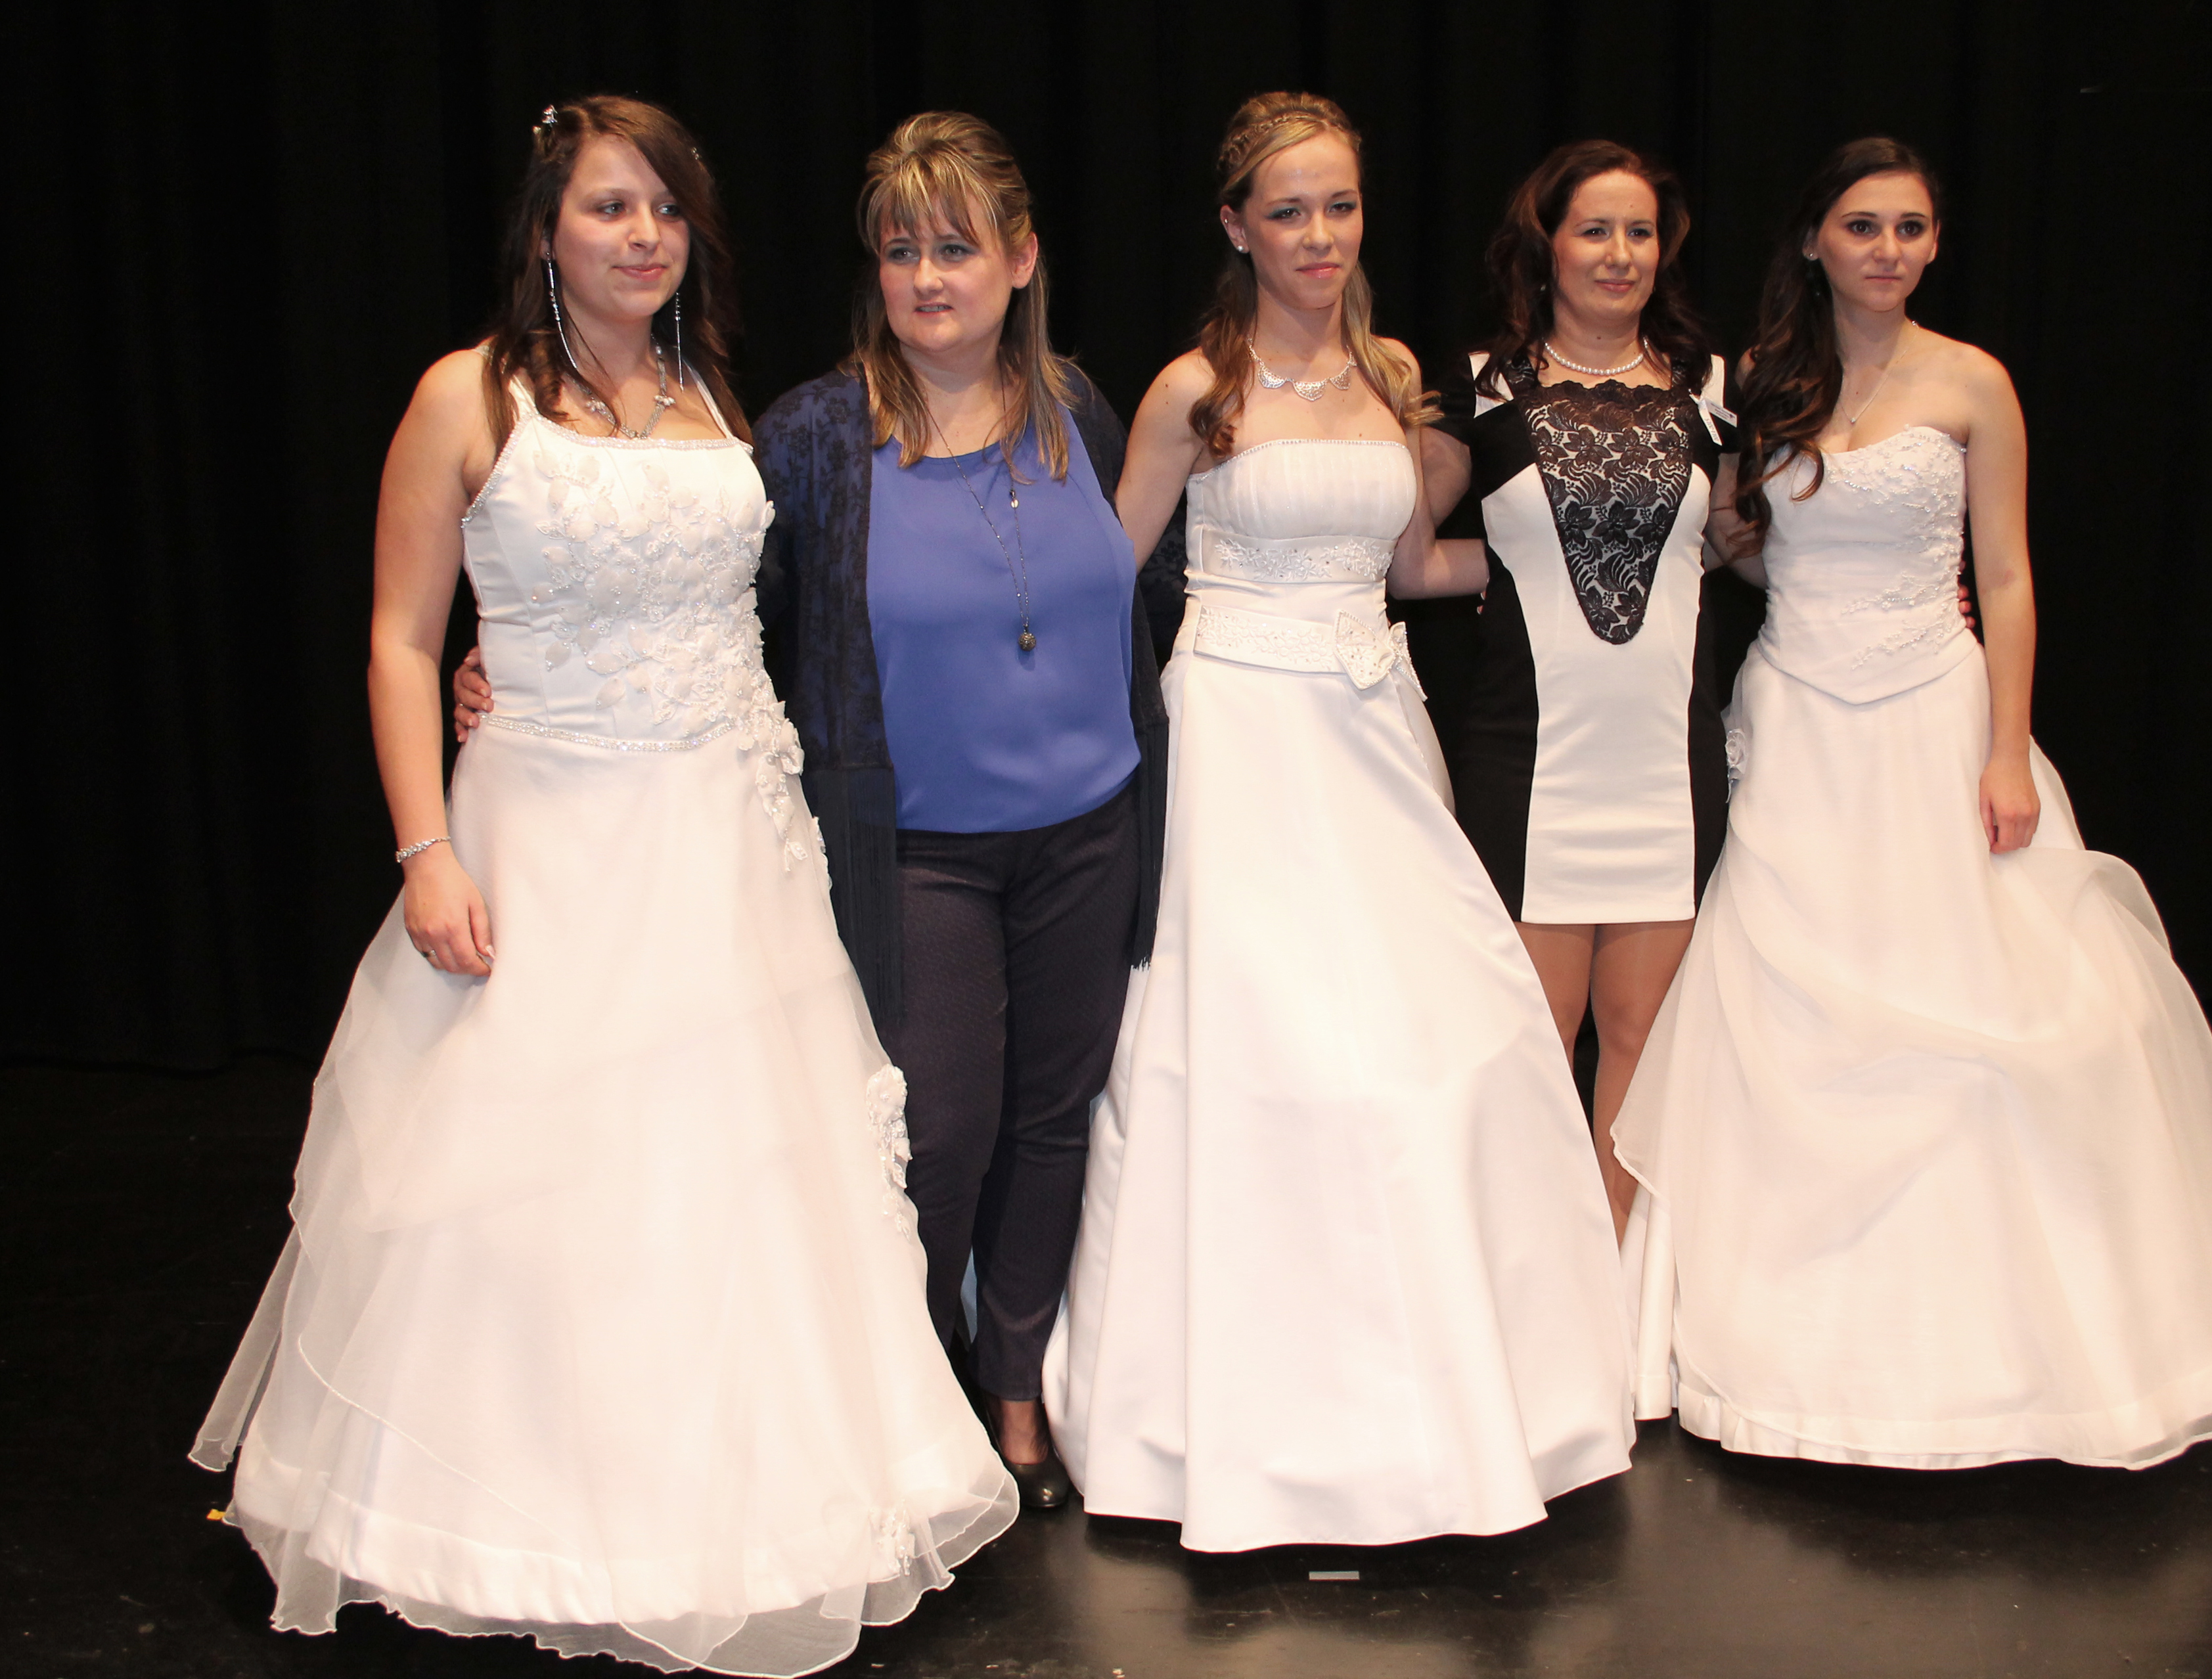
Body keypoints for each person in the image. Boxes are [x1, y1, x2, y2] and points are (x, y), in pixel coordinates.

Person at [193, 99, 1016, 1674]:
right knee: (538, 1181)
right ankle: (517, 1513)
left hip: (726, 849)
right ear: (546, 230)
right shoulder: (468, 397)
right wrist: (426, 850)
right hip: (549, 843)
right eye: (609, 207)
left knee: (732, 1184)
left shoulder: (710, 393)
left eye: (667, 209)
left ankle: (734, 1510)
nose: (645, 236)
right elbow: (401, 640)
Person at [456, 112, 1164, 1513]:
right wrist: (508, 663)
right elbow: (706, 593)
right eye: (901, 250)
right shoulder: (817, 436)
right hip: (915, 850)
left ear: (1024, 260)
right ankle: (919, 1389)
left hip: (1090, 826)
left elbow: (1149, 588)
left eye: (957, 247)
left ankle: (1017, 1387)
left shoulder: (1081, 408)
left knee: (1054, 1119)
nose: (927, 277)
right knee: (936, 1132)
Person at [1614, 138, 2212, 1467]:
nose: (1888, 250)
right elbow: (1751, 549)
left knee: (1984, 1006)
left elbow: (2013, 576)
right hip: (1800, 727)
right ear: (1814, 240)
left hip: (1934, 717)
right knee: (1780, 1009)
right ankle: (1779, 1340)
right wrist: (1729, 534)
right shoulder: (1762, 384)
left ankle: (2006, 1356)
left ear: (1935, 244)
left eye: (1911, 228)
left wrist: (2008, 751)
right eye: (1863, 226)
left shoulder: (1974, 380)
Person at [1043, 91, 1634, 1552]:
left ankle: (1435, 1401)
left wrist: (1566, 559)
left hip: (1374, 735)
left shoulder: (1394, 375)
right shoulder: (1195, 391)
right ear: (1237, 226)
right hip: (1243, 742)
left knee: (1427, 1049)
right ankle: (1239, 1421)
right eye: (1289, 211)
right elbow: (1102, 573)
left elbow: (1411, 566)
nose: (1320, 235)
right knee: (1263, 1057)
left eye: (1341, 207)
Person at [1419, 139, 1736, 1240]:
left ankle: (1615, 1294)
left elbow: (1743, 545)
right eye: (1595, 230)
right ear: (1546, 244)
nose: (1620, 253)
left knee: (1643, 1042)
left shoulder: (1713, 388)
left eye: (1640, 232)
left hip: (1666, 766)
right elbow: (1407, 558)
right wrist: (1512, 571)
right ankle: (1532, 1284)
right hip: (1529, 762)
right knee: (1535, 1044)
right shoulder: (1480, 388)